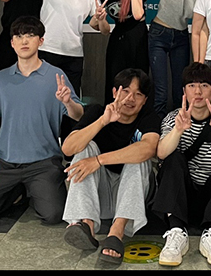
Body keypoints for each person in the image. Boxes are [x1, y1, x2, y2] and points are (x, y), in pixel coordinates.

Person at [0, 16, 84, 227]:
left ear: (41, 41)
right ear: (12, 43)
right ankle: (17, 191)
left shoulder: (56, 76)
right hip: (4, 163)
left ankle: (30, 189)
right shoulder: (0, 79)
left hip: (44, 163)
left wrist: (68, 101)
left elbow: (79, 115)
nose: (24, 41)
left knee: (53, 215)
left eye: (30, 36)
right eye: (18, 36)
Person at [60, 68, 160, 265]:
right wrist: (102, 121)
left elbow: (148, 148)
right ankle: (86, 225)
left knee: (138, 155)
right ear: (115, 92)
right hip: (100, 198)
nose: (130, 99)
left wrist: (98, 161)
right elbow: (68, 148)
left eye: (138, 94)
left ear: (144, 100)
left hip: (133, 197)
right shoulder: (98, 111)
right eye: (125, 91)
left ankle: (116, 233)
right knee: (85, 147)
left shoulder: (149, 117)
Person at [153, 62, 211, 267]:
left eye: (204, 85)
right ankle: (176, 232)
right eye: (192, 85)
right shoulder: (173, 118)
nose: (197, 91)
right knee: (173, 157)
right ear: (184, 91)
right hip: (182, 197)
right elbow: (161, 153)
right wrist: (178, 130)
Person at [18, 0, 106, 98]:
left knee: (70, 99)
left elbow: (101, 28)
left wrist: (100, 18)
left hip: (73, 54)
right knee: (42, 95)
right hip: (48, 48)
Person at [149, 0, 211, 119]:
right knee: (161, 90)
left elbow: (202, 25)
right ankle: (157, 129)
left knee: (181, 89)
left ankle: (179, 127)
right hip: (159, 33)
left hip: (181, 36)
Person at [97, 0, 150, 104]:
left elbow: (138, 15)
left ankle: (137, 112)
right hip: (118, 35)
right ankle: (112, 111)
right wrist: (98, 17)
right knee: (114, 77)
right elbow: (100, 25)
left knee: (138, 79)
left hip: (138, 37)